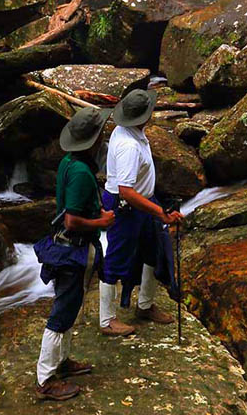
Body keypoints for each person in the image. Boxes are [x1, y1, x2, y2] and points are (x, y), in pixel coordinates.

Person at [33, 106, 116, 401]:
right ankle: (46, 378)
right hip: (73, 251)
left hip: (67, 248)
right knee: (62, 312)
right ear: (92, 141)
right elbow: (71, 220)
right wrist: (102, 221)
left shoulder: (69, 162)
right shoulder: (81, 172)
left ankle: (62, 362)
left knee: (69, 308)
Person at [99, 88, 184, 336]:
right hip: (127, 207)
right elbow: (125, 191)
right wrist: (159, 212)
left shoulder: (130, 132)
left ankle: (144, 305)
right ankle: (107, 320)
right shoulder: (128, 146)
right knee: (116, 258)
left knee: (153, 251)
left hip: (144, 201)